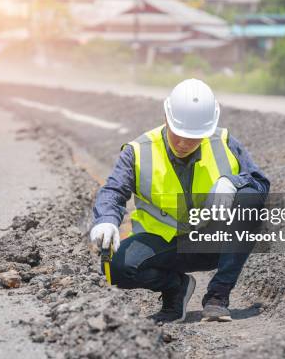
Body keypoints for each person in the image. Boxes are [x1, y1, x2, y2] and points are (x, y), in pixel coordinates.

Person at [90, 79, 270, 323]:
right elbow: (113, 190)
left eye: (194, 137)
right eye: (179, 135)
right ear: (166, 117)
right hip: (164, 245)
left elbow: (261, 184)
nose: (184, 143)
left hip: (213, 243)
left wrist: (233, 183)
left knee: (249, 202)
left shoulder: (224, 143)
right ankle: (176, 288)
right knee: (114, 267)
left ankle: (218, 296)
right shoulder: (138, 151)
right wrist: (107, 220)